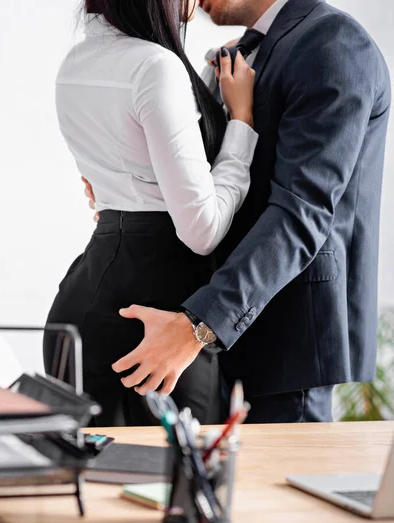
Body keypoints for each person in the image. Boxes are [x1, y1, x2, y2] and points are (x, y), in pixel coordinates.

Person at [106, 0, 391, 423]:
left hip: (286, 346)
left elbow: (302, 213)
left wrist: (199, 327)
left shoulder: (334, 43)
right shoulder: (238, 52)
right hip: (217, 343)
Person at [43, 0, 259, 426]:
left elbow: (118, 177)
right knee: (183, 482)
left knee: (91, 481)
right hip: (162, 319)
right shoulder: (155, 66)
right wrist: (242, 121)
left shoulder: (76, 61)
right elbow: (202, 230)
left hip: (87, 301)